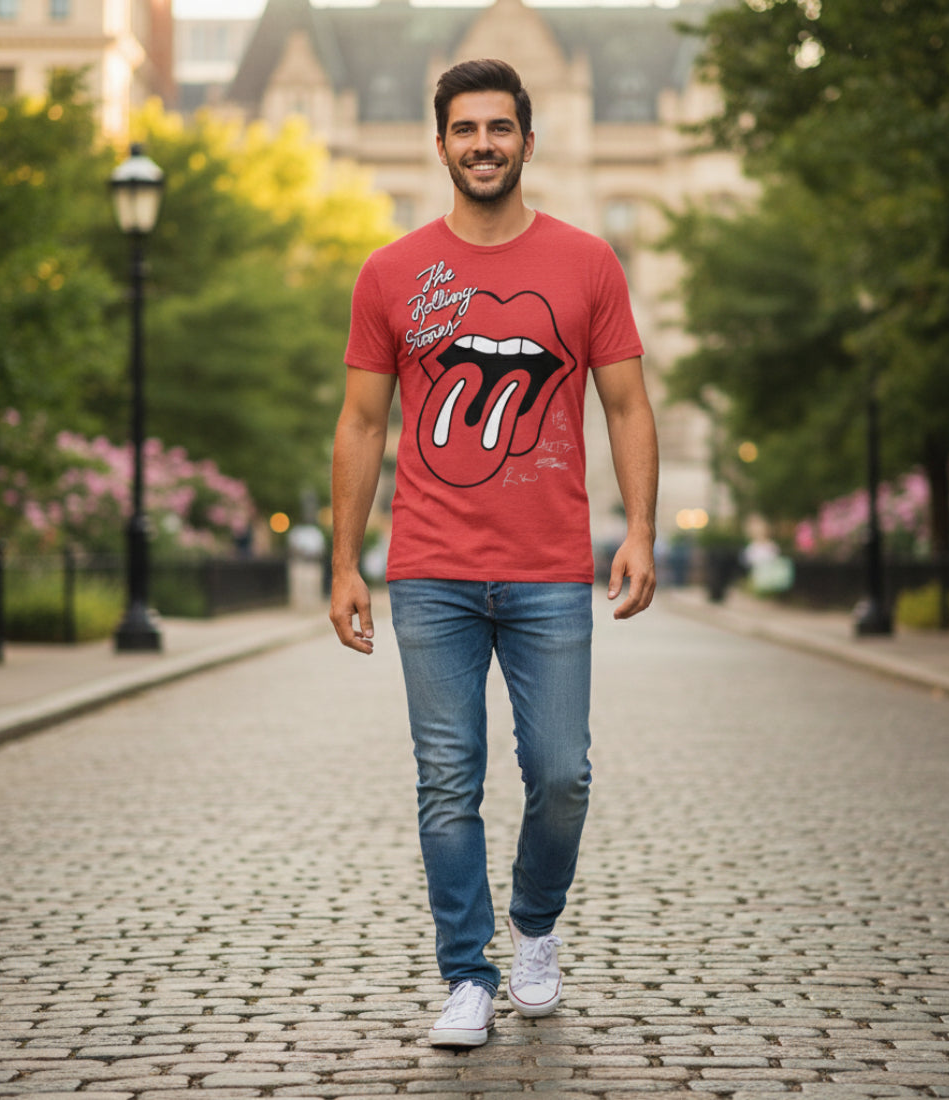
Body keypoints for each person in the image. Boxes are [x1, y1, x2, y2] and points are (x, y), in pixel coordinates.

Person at [330, 58, 658, 1048]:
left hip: (548, 564)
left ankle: (534, 922)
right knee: (447, 778)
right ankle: (465, 973)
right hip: (427, 565)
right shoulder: (390, 271)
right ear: (440, 143)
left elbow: (627, 403)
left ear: (527, 138)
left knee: (560, 772)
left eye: (498, 128)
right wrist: (343, 560)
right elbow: (356, 421)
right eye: (464, 129)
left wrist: (639, 527)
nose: (482, 144)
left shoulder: (586, 262)